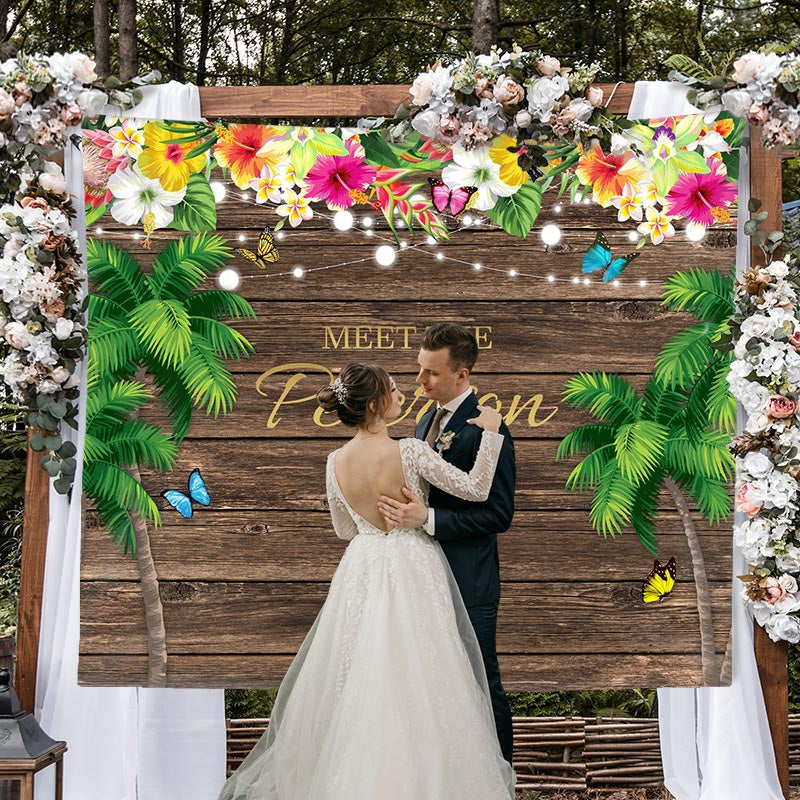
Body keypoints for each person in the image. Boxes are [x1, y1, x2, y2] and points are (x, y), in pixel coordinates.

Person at [218, 362, 516, 800]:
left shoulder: (335, 461)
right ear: (376, 404)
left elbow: (344, 528)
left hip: (363, 567)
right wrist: (491, 432)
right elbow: (473, 488)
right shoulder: (410, 451)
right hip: (413, 561)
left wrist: (372, 523)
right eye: (394, 389)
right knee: (425, 674)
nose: (403, 394)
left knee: (366, 675)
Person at [377, 322, 515, 764]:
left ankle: (501, 778)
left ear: (462, 374)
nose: (420, 381)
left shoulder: (487, 428)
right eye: (419, 370)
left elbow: (498, 514)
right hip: (423, 576)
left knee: (479, 679)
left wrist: (429, 518)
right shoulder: (423, 423)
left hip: (469, 579)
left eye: (431, 373)